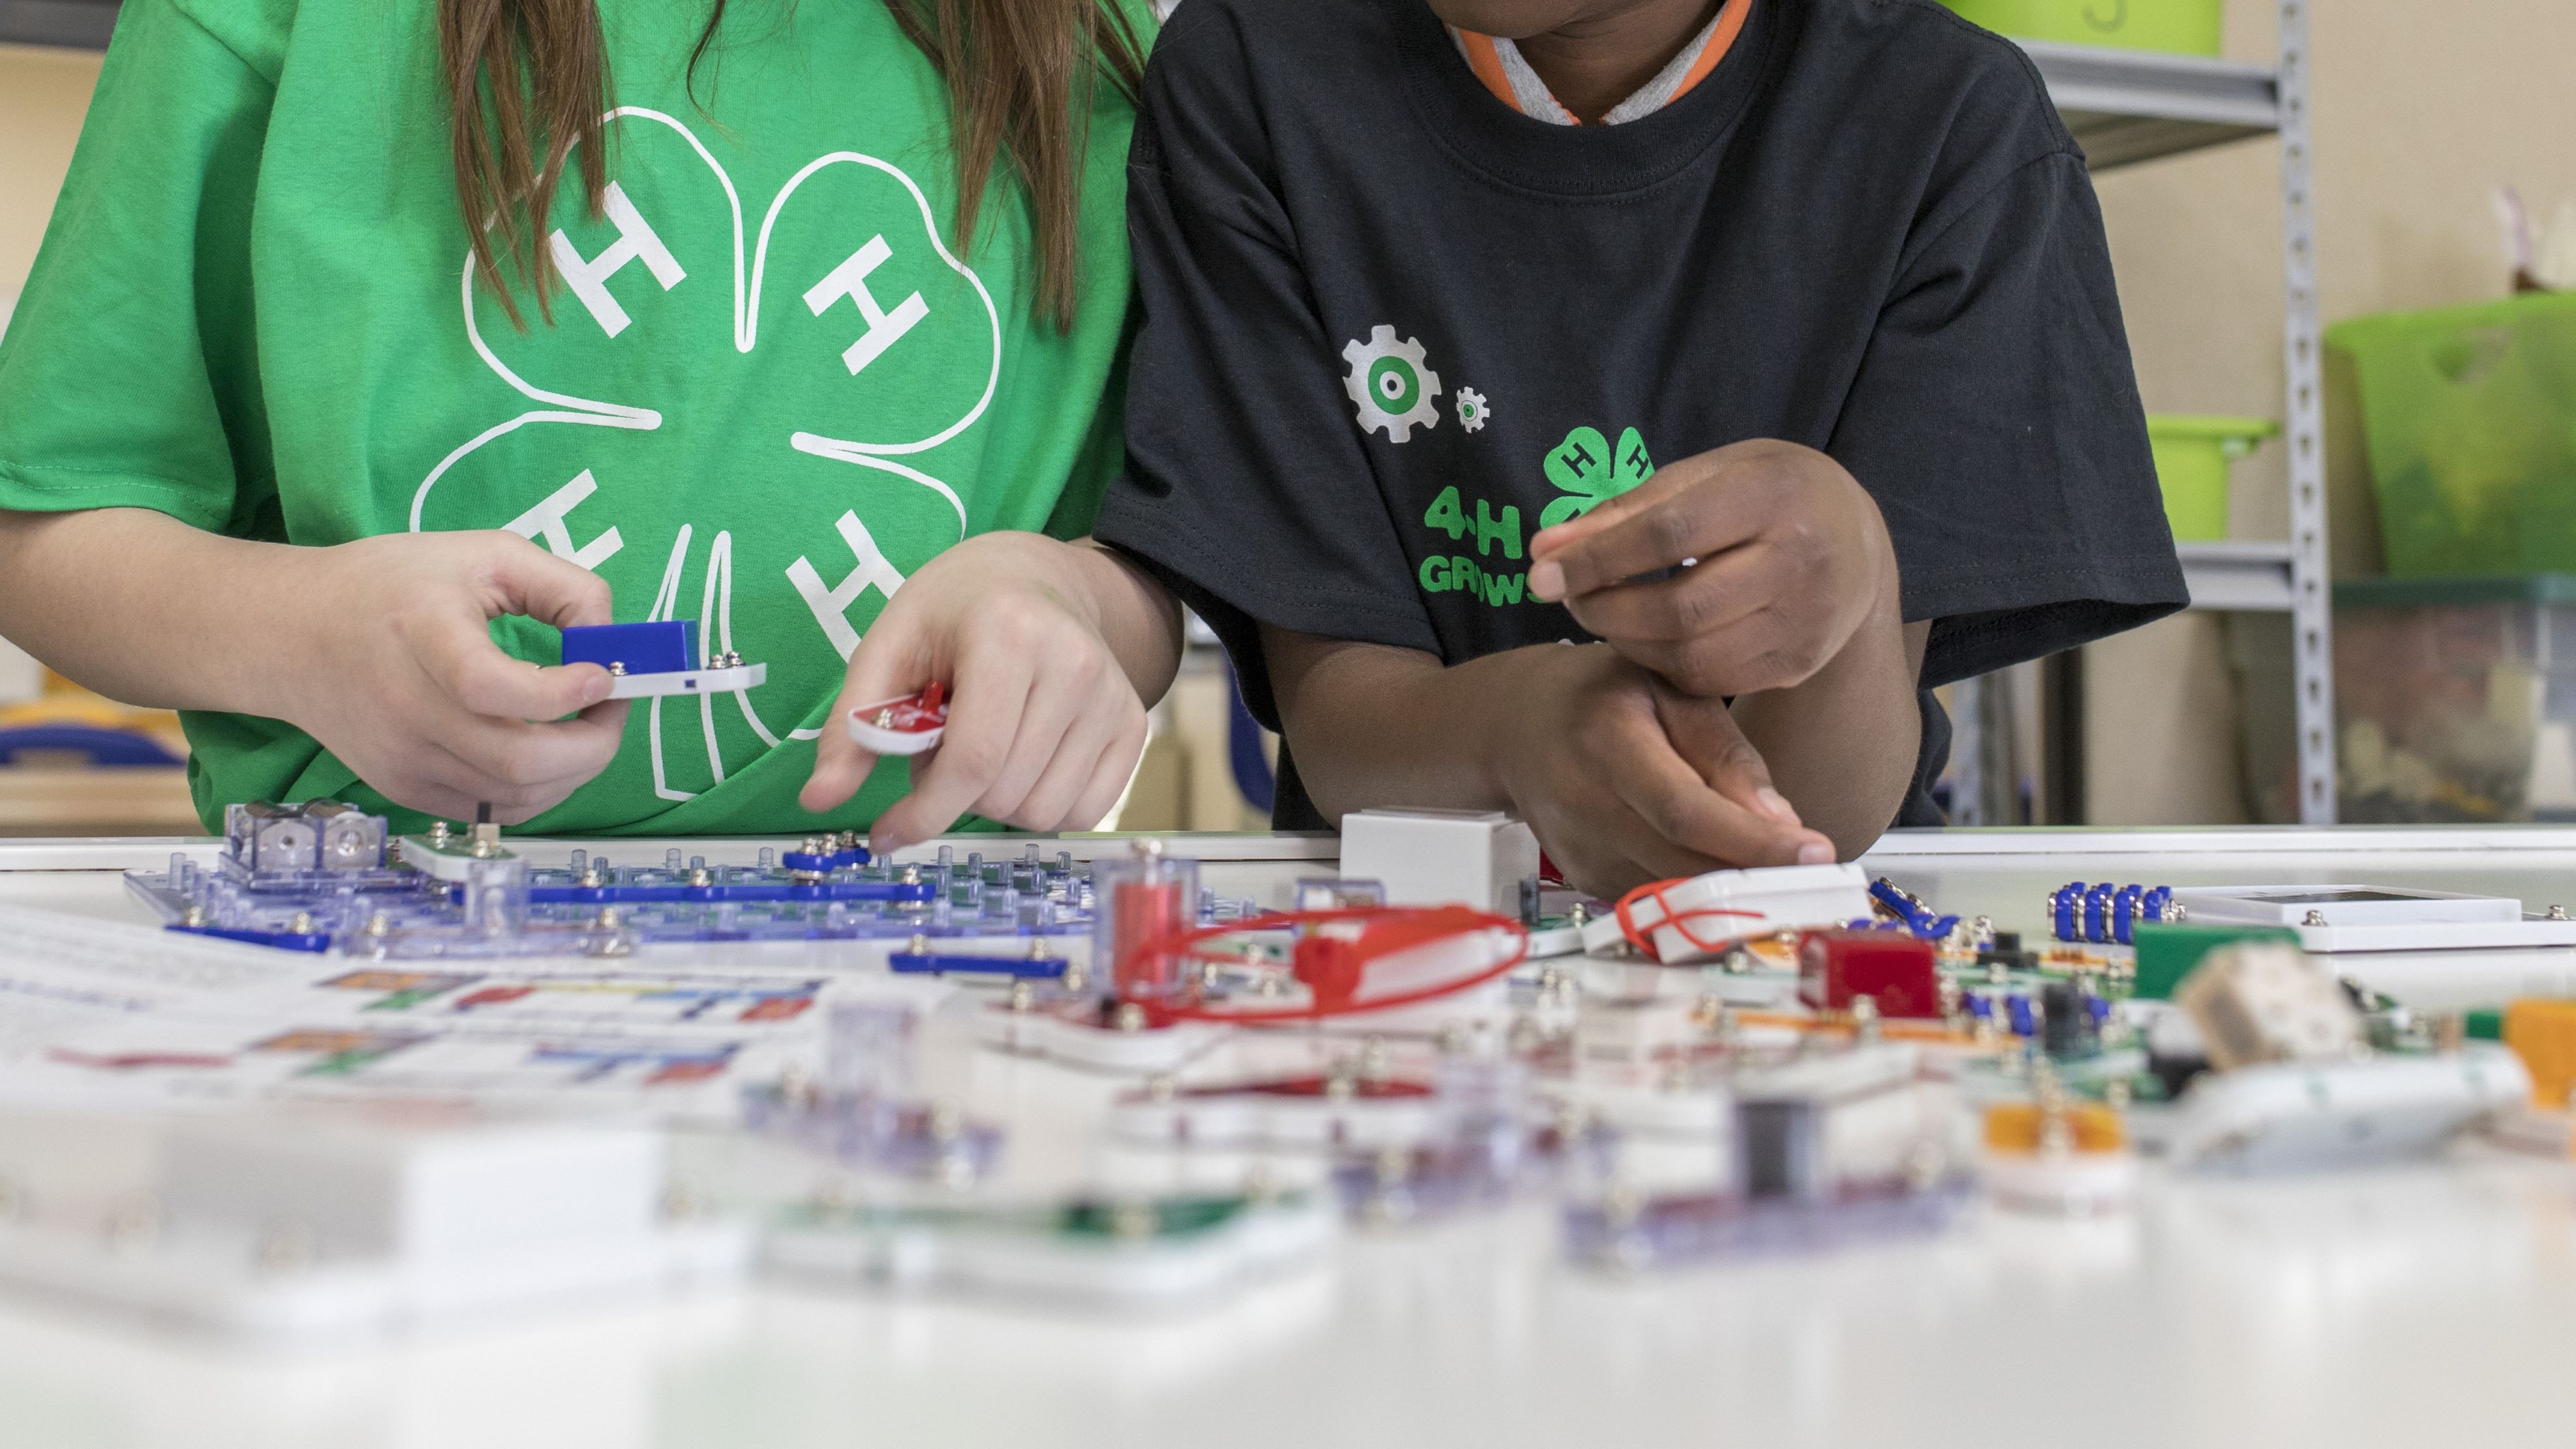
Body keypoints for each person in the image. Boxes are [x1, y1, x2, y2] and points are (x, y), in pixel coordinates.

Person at [0, 0, 1178, 845]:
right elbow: (45, 518)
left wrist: (1075, 604)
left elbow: (1161, 568)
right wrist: (302, 634)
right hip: (382, 918)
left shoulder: (1112, 57)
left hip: (923, 938)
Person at [1090, 0, 2189, 894]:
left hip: (1792, 957)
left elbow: (1818, 819)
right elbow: (1342, 725)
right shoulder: (1261, 68)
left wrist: (1855, 574)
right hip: (1403, 933)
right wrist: (1523, 728)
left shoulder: (1949, 126)